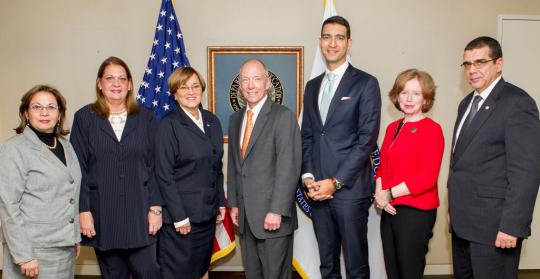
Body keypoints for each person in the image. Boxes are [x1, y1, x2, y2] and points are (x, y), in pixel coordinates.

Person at [448, 36, 540, 279]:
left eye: (480, 62)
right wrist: (453, 208)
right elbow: (459, 163)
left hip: (495, 227)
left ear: (499, 63)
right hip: (462, 223)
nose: (472, 70)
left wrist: (512, 226)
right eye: (467, 64)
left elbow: (526, 173)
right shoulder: (466, 103)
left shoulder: (518, 103)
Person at [301, 15, 381, 278]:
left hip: (350, 192)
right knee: (327, 264)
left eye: (339, 37)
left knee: (356, 266)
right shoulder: (312, 87)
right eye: (326, 37)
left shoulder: (366, 83)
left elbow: (366, 140)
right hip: (317, 193)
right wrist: (309, 177)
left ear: (349, 43)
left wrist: (334, 183)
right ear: (320, 42)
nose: (332, 43)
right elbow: (309, 136)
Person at [70, 56, 162, 279]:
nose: (116, 83)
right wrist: (83, 211)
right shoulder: (84, 118)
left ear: (130, 84)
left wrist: (156, 209)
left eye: (122, 78)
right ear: (99, 83)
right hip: (104, 216)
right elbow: (77, 171)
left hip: (141, 215)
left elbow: (156, 166)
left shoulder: (146, 118)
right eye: (110, 78)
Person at [227, 59, 302, 279]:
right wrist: (233, 204)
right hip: (245, 218)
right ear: (239, 85)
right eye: (245, 80)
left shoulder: (283, 116)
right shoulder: (235, 119)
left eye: (257, 79)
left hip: (273, 217)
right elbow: (234, 166)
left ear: (268, 82)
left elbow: (289, 166)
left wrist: (277, 210)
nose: (251, 85)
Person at [0, 85, 81, 279]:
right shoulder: (14, 149)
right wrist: (23, 255)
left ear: (59, 113)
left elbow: (70, 192)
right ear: (26, 113)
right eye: (37, 107)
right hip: (33, 251)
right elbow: (8, 205)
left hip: (64, 247)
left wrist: (74, 235)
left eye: (51, 107)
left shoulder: (66, 145)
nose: (44, 112)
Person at [155, 66, 226, 279]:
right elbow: (164, 175)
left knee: (201, 269)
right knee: (180, 273)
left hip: (207, 215)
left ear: (202, 89)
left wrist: (220, 202)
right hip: (182, 220)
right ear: (174, 93)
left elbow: (216, 166)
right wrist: (179, 217)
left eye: (195, 86)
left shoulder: (211, 120)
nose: (191, 91)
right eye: (183, 87)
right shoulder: (169, 124)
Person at [373, 69, 444, 279]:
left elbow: (427, 177)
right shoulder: (393, 127)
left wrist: (390, 194)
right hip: (389, 209)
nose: (409, 98)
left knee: (409, 272)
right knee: (393, 271)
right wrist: (380, 193)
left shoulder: (432, 129)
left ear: (426, 99)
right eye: (404, 92)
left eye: (416, 93)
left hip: (416, 211)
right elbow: (382, 166)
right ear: (397, 96)